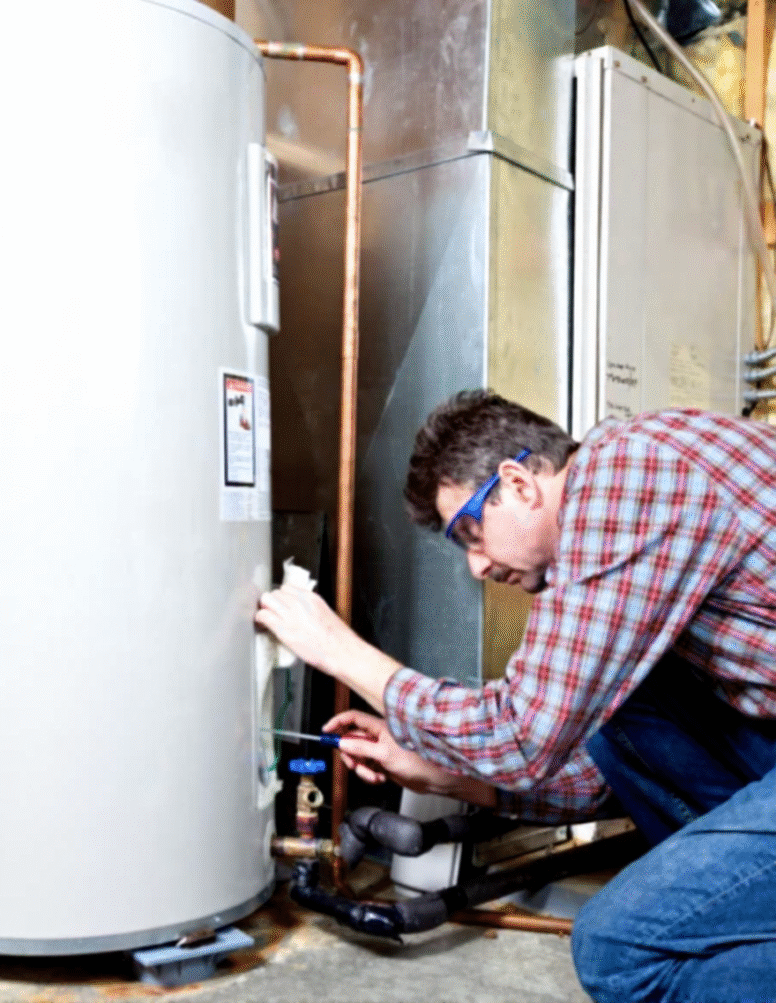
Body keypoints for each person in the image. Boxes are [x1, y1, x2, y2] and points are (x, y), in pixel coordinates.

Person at [256, 389, 776, 1003]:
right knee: (622, 705)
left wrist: (340, 651)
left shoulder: (628, 477)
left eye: (469, 533)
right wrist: (445, 774)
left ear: (519, 484)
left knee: (622, 951)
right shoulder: (638, 471)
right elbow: (597, 769)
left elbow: (521, 737)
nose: (476, 566)